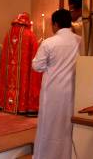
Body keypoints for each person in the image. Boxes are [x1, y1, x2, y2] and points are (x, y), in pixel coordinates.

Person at [32, 9, 81, 159]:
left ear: (55, 24)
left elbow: (37, 66)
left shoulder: (49, 42)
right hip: (73, 88)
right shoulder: (80, 40)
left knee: (49, 125)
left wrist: (50, 67)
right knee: (67, 125)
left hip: (53, 90)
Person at [0, 12, 42, 115]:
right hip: (23, 70)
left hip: (9, 68)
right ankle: (22, 107)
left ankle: (5, 103)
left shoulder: (8, 33)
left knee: (8, 78)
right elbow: (35, 55)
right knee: (24, 80)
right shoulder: (30, 35)